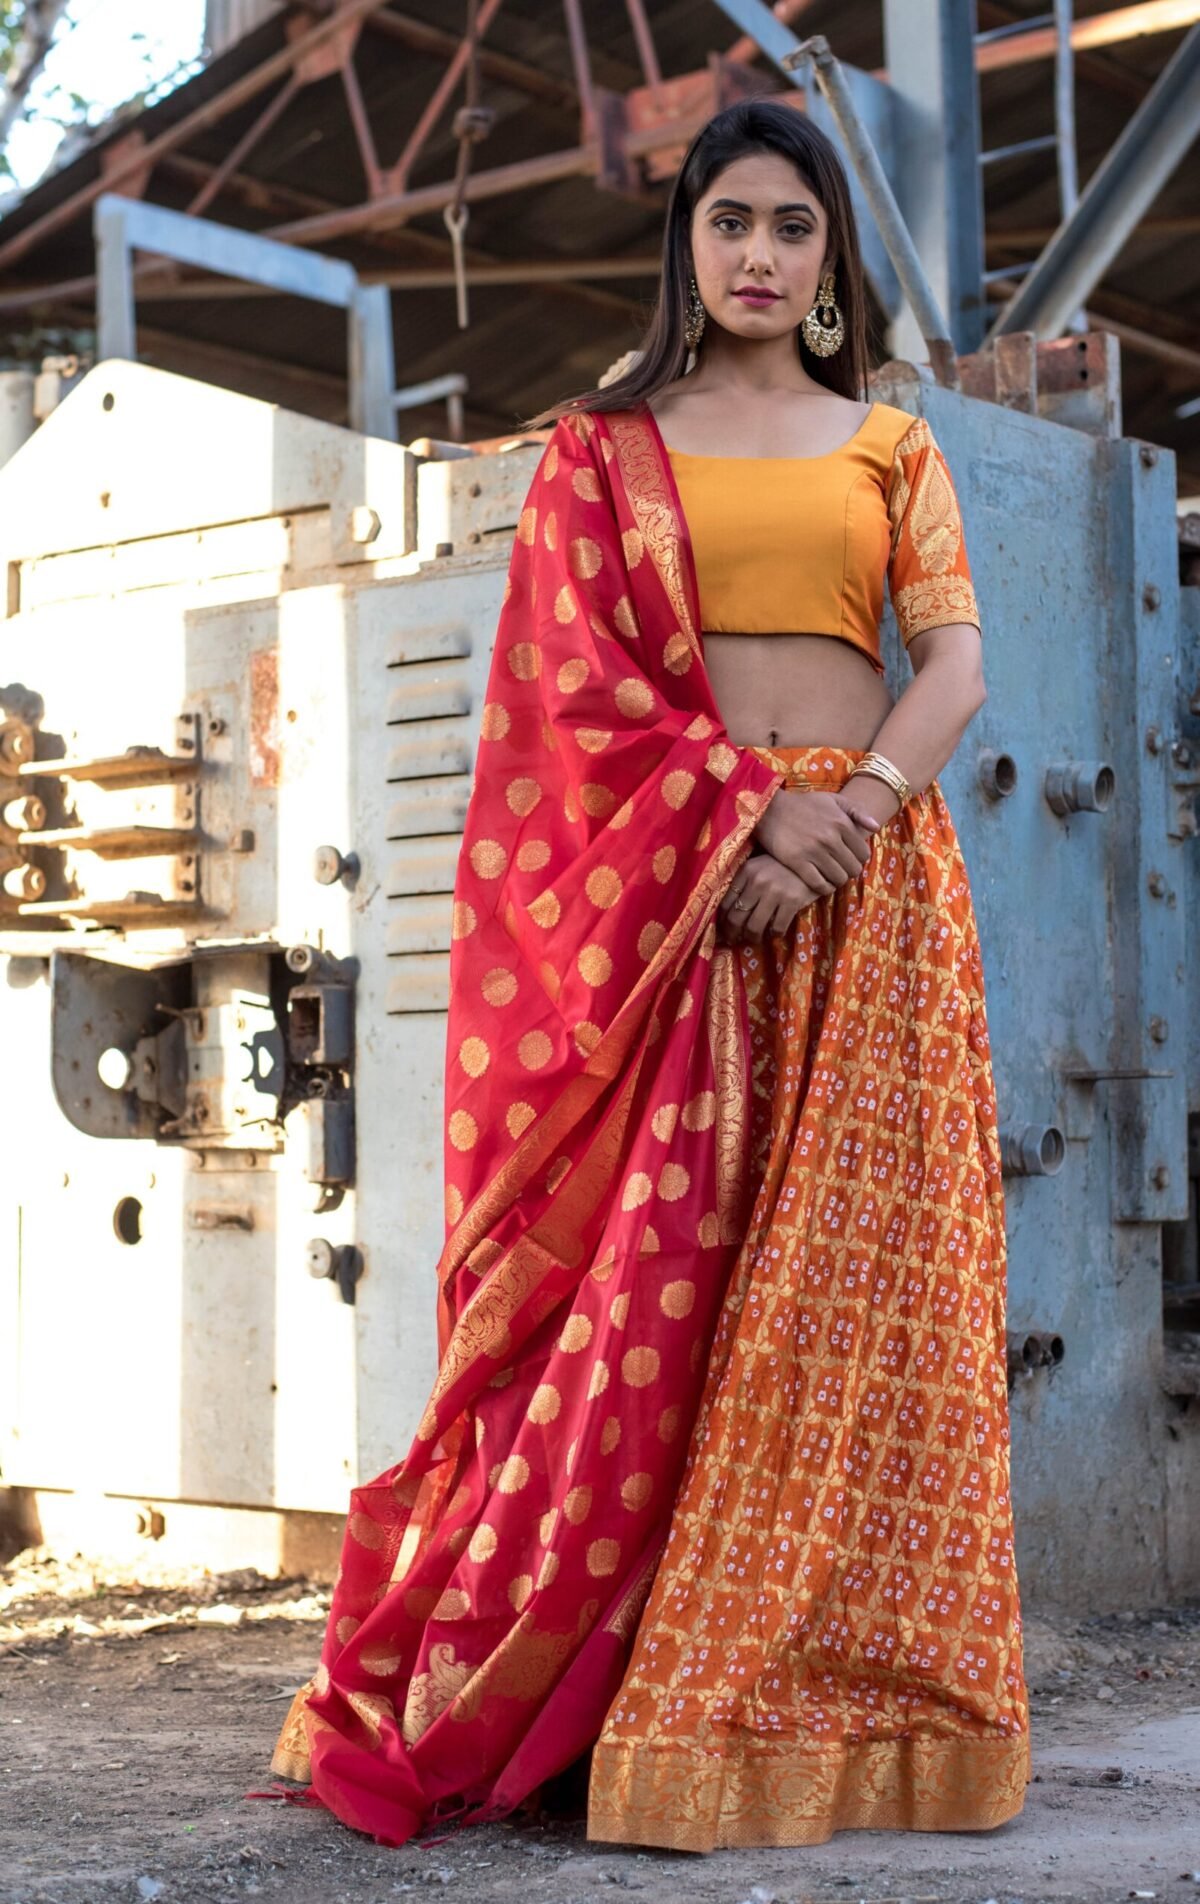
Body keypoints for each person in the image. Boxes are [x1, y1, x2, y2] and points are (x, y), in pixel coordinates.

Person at [270, 96, 1030, 1852]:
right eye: (729, 221)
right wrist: (741, 819)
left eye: (792, 227)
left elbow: (956, 665)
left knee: (848, 1303)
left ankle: (816, 1694)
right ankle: (614, 1696)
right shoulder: (605, 450)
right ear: (687, 245)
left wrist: (848, 818)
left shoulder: (890, 444)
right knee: (655, 1292)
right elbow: (566, 703)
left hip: (868, 900)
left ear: (829, 263)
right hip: (669, 914)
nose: (759, 253)